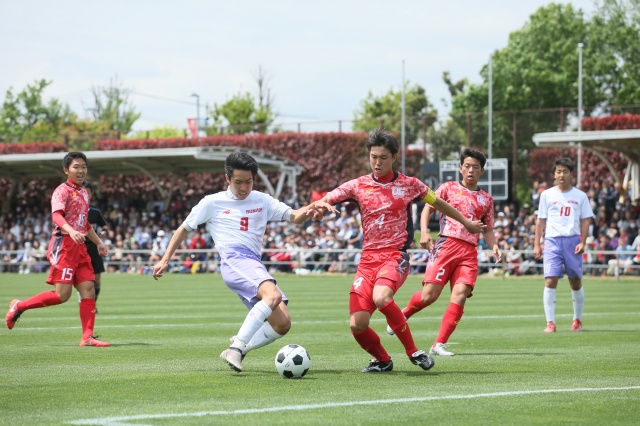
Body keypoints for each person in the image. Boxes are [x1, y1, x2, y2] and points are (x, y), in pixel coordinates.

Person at [318, 128, 486, 373]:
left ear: (394, 157)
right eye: (373, 157)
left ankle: (413, 352)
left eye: (383, 157)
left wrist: (467, 223)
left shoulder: (410, 185)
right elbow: (327, 198)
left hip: (395, 256)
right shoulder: (358, 185)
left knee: (382, 297)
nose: (377, 162)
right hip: (367, 261)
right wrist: (315, 206)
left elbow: (439, 203)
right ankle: (383, 361)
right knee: (357, 324)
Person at [152, 151, 336, 373]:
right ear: (227, 179)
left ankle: (239, 347)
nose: (243, 187)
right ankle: (236, 347)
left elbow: (295, 216)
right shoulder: (212, 202)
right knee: (273, 296)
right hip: (234, 260)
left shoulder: (261, 200)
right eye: (238, 182)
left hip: (253, 264)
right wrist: (165, 259)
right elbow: (184, 228)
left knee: (282, 323)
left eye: (248, 182)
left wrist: (313, 207)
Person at [389, 148, 502, 356]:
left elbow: (488, 228)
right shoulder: (447, 188)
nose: (470, 170)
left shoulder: (486, 199)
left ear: (481, 171)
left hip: (469, 251)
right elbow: (427, 208)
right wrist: (424, 232)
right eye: (467, 166)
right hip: (446, 245)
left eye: (475, 167)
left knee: (460, 295)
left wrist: (493, 244)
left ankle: (438, 344)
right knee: (429, 296)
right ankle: (404, 313)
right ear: (460, 168)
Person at [5, 152, 110, 347]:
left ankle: (87, 337)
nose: (81, 171)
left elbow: (85, 223)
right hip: (64, 246)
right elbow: (57, 217)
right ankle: (20, 306)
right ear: (66, 170)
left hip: (80, 248)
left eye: (84, 167)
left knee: (89, 289)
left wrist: (99, 243)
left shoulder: (84, 194)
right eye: (76, 167)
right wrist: (70, 231)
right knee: (62, 295)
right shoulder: (61, 191)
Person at [534, 158, 594, 333]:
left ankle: (577, 320)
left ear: (571, 174)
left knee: (575, 281)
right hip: (552, 241)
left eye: (565, 172)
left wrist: (583, 241)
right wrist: (537, 244)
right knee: (550, 279)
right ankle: (550, 323)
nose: (562, 175)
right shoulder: (546, 195)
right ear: (554, 174)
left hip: (572, 240)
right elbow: (540, 221)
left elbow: (585, 220)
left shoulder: (580, 196)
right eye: (558, 171)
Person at [80, 182, 109, 307]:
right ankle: (83, 299)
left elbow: (105, 226)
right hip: (80, 247)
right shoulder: (74, 211)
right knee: (82, 279)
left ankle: (93, 304)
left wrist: (104, 232)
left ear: (91, 194)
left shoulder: (95, 212)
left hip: (94, 248)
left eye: (88, 192)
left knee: (97, 280)